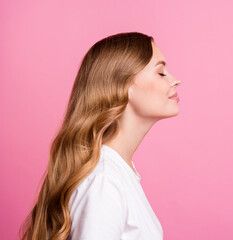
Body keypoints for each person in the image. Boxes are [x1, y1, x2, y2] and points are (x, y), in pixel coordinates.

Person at [19, 32, 181, 240]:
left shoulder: (116, 173)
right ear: (123, 87)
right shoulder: (105, 181)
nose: (175, 80)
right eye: (161, 73)